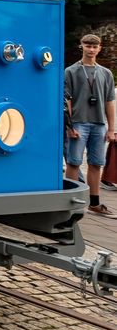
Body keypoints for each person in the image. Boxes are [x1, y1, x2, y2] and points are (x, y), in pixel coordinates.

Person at [64, 33, 117, 215]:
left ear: (99, 48)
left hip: (99, 124)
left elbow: (110, 101)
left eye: (95, 47)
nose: (91, 49)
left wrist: (112, 129)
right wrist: (70, 126)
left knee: (96, 164)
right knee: (74, 162)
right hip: (78, 122)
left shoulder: (106, 73)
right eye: (88, 46)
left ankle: (94, 202)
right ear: (82, 46)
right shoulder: (71, 71)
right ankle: (70, 202)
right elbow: (66, 101)